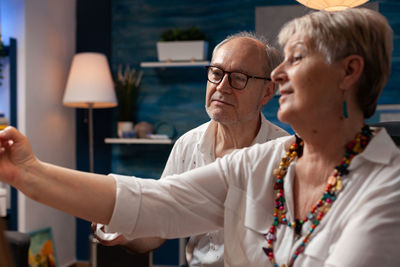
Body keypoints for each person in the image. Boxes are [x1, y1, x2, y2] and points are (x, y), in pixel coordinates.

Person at [1, 7, 400, 267]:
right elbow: (153, 201)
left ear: (348, 73)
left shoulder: (389, 185)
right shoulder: (263, 161)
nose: (280, 76)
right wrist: (27, 172)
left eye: (295, 60)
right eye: (216, 72)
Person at [92, 32, 288, 266]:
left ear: (267, 92)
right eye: (216, 73)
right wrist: (125, 232)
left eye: (238, 78)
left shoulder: (285, 154)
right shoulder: (187, 144)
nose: (222, 87)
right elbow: (159, 227)